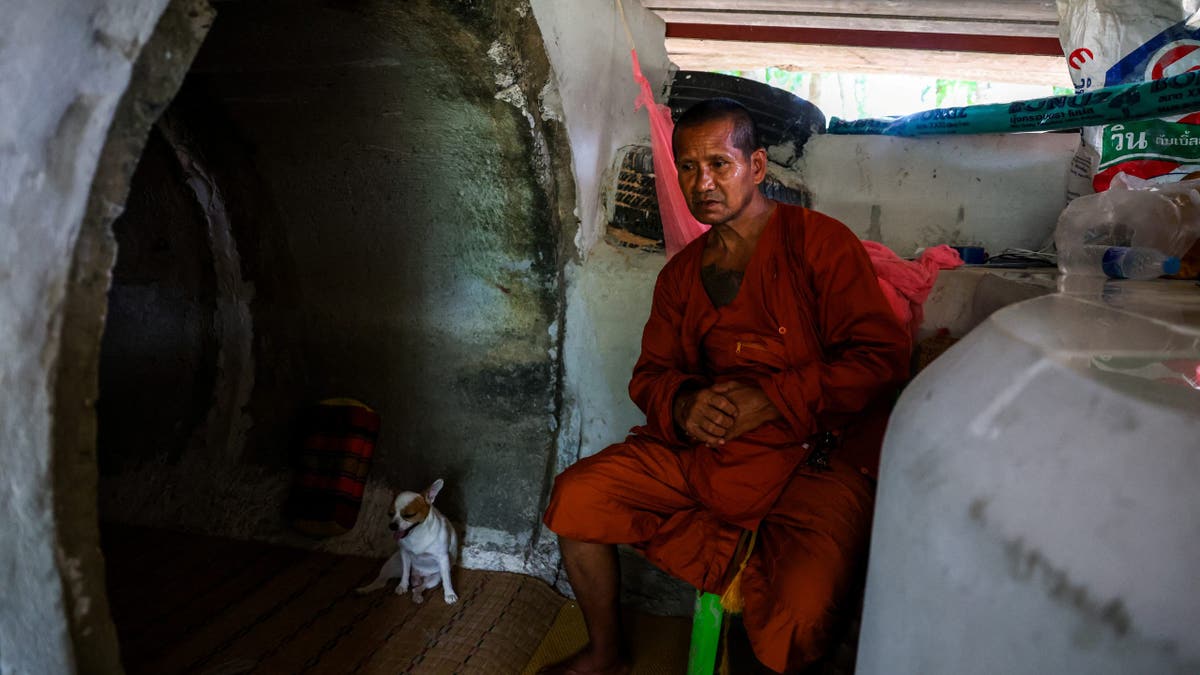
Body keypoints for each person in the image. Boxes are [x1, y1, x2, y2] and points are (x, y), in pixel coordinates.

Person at [540, 98, 910, 674]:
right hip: (709, 450)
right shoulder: (682, 276)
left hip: (813, 458)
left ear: (756, 166)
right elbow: (650, 375)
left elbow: (881, 361)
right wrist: (685, 404)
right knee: (577, 497)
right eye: (688, 167)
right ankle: (607, 653)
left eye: (719, 164)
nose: (702, 183)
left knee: (800, 613)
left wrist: (773, 399)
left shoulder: (820, 244)